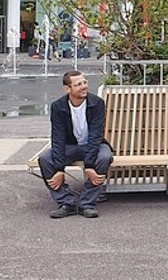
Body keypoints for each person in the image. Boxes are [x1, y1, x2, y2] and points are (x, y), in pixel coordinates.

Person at [38, 71, 114, 218]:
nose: (84, 87)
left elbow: (96, 136)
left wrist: (89, 166)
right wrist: (59, 169)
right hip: (70, 146)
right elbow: (58, 138)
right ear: (67, 89)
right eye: (78, 84)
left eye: (85, 82)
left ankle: (87, 203)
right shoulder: (58, 106)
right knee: (45, 159)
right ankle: (67, 203)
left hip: (93, 145)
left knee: (105, 156)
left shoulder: (97, 103)